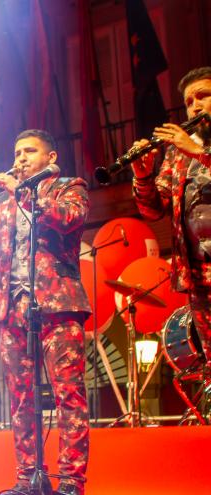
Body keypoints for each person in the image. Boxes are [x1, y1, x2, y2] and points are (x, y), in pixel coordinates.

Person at [0, 129, 90, 495]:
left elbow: (68, 218)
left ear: (50, 158)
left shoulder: (68, 186)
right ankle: (29, 477)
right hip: (11, 310)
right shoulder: (1, 202)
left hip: (59, 306)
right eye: (16, 152)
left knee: (69, 397)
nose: (19, 158)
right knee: (20, 401)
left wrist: (22, 193)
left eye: (29, 151)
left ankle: (71, 482)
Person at [132, 67, 211, 365]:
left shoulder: (187, 147)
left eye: (203, 96)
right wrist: (142, 176)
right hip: (200, 276)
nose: (195, 106)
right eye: (190, 101)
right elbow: (154, 210)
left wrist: (199, 152)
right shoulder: (178, 153)